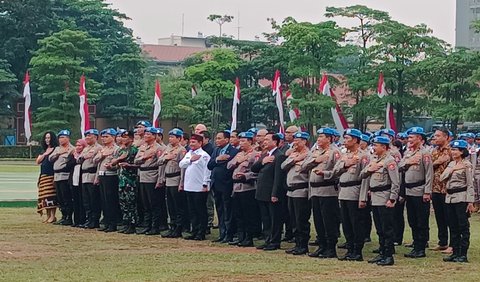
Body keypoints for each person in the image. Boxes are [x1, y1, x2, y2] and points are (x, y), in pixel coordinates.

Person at [301, 128, 341, 259]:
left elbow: (339, 171)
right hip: (315, 191)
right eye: (318, 136)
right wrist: (316, 160)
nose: (318, 139)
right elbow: (303, 167)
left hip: (328, 190)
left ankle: (331, 248)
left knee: (328, 220)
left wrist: (326, 173)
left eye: (322, 136)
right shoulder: (315, 151)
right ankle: (322, 245)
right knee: (318, 220)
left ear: (329, 139)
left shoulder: (334, 152)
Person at [360, 136, 400, 266]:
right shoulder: (374, 159)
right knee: (379, 228)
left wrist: (392, 198)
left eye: (376, 145)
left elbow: (395, 182)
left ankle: (388, 255)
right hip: (375, 197)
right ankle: (382, 252)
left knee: (387, 228)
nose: (373, 147)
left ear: (384, 147)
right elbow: (363, 174)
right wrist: (370, 168)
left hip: (385, 197)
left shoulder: (390, 161)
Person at [333, 128, 369, 261]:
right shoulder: (344, 155)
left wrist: (363, 197)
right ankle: (349, 249)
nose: (345, 141)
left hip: (355, 191)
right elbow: (335, 171)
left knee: (356, 223)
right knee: (346, 223)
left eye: (348, 138)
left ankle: (357, 251)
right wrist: (345, 165)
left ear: (355, 140)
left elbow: (365, 178)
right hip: (343, 192)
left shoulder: (363, 156)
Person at [399, 127, 433, 258]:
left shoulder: (425, 154)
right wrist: (408, 162)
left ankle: (421, 247)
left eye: (412, 137)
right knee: (412, 219)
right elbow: (399, 166)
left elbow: (429, 174)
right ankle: (416, 244)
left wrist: (427, 192)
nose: (409, 140)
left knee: (421, 220)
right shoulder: (408, 153)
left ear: (420, 138)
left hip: (420, 190)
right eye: (409, 137)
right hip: (409, 190)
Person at [440, 140, 476, 263]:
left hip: (461, 198)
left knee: (463, 226)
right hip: (449, 198)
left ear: (462, 152)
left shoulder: (467, 165)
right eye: (453, 149)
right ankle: (455, 252)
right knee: (453, 226)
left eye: (456, 150)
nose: (453, 152)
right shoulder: (451, 164)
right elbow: (441, 177)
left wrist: (470, 201)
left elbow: (470, 184)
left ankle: (463, 253)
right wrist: (453, 169)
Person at [227, 132, 260, 247]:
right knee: (238, 214)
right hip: (236, 188)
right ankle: (241, 237)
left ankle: (249, 238)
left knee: (248, 215)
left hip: (247, 187)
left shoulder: (255, 155)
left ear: (250, 141)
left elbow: (257, 171)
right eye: (240, 141)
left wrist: (246, 176)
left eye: (243, 141)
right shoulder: (239, 154)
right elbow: (229, 165)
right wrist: (237, 161)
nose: (241, 143)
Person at [252, 132, 283, 251]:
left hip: (271, 192)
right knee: (265, 218)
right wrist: (262, 161)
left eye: (267, 139)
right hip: (262, 191)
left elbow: (278, 176)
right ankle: (267, 239)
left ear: (275, 142)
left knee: (274, 218)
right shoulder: (265, 154)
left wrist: (275, 193)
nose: (264, 142)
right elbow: (254, 168)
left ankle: (275, 241)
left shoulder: (278, 155)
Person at [282, 131, 311, 255]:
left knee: (301, 219)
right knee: (293, 219)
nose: (295, 143)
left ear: (304, 141)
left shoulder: (309, 155)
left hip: (301, 189)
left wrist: (299, 159)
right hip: (291, 191)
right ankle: (297, 243)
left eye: (298, 141)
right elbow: (283, 166)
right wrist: (294, 160)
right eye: (294, 140)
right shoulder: (294, 154)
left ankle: (303, 244)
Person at [179, 134, 211, 241]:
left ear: (200, 143)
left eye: (194, 142)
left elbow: (207, 171)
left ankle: (201, 232)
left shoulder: (204, 155)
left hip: (199, 187)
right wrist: (190, 160)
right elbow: (181, 164)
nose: (191, 144)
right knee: (192, 210)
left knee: (200, 210)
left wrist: (205, 184)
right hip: (189, 186)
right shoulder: (189, 153)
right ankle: (194, 230)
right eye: (191, 142)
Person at [208, 130, 238, 243]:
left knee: (228, 210)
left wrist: (220, 162)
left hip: (226, 185)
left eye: (219, 138)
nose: (217, 140)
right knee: (219, 210)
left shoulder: (234, 151)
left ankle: (229, 234)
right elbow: (210, 165)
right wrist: (217, 159)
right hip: (216, 184)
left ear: (227, 139)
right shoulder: (216, 150)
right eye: (216, 138)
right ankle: (222, 233)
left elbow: (229, 167)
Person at [134, 127, 165, 235]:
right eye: (146, 134)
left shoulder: (158, 148)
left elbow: (161, 164)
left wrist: (160, 179)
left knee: (154, 203)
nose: (146, 136)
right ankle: (147, 225)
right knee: (145, 203)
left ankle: (155, 226)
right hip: (142, 175)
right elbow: (136, 160)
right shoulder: (142, 147)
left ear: (155, 136)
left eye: (149, 134)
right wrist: (143, 158)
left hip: (152, 176)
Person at [158, 128, 188, 238]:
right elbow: (159, 161)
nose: (170, 139)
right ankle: (172, 226)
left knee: (177, 205)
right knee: (170, 205)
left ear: (179, 138)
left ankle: (179, 227)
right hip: (168, 179)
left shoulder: (182, 150)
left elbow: (183, 168)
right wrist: (166, 158)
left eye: (173, 137)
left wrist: (182, 182)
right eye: (169, 137)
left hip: (176, 178)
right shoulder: (167, 148)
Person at [94, 128, 120, 232]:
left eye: (106, 137)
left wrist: (112, 166)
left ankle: (113, 223)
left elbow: (118, 164)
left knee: (111, 200)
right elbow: (96, 161)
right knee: (104, 201)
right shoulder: (102, 149)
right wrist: (102, 155)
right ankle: (106, 221)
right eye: (103, 137)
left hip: (111, 175)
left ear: (113, 137)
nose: (104, 139)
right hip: (102, 175)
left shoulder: (116, 149)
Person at [431, 128, 452, 252]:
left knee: (450, 218)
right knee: (440, 217)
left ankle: (453, 244)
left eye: (438, 136)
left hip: (447, 189)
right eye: (435, 136)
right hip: (435, 188)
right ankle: (442, 241)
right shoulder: (434, 151)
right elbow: (429, 166)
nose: (435, 138)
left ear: (446, 137)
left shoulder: (452, 151)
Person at [49, 129, 75, 226]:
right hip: (57, 176)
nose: (61, 139)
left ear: (68, 138)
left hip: (65, 175)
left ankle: (68, 217)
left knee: (66, 197)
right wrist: (58, 153)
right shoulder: (57, 149)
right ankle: (63, 216)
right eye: (59, 137)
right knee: (60, 198)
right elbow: (50, 159)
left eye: (63, 137)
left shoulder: (72, 149)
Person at [115, 130, 139, 234]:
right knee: (123, 202)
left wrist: (129, 165)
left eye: (125, 137)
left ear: (131, 139)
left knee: (131, 202)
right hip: (122, 179)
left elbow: (138, 164)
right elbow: (115, 162)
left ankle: (133, 224)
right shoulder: (122, 150)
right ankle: (126, 223)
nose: (123, 139)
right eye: (122, 137)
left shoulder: (134, 150)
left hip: (130, 179)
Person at [78, 129, 102, 229]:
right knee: (86, 200)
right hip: (84, 175)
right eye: (86, 136)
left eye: (90, 136)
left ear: (96, 137)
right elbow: (79, 159)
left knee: (94, 200)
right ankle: (89, 219)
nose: (87, 138)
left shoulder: (98, 148)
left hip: (92, 174)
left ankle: (94, 220)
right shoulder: (86, 148)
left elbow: (96, 161)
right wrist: (83, 157)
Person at [36, 131, 59, 223]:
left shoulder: (56, 149)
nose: (47, 140)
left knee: (51, 196)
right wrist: (45, 154)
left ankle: (53, 216)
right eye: (46, 138)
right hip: (43, 176)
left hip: (51, 175)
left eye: (49, 138)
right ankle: (48, 215)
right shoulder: (44, 151)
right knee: (44, 197)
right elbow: (38, 161)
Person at [71, 139, 87, 227]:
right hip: (74, 180)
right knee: (75, 200)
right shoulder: (73, 155)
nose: (77, 147)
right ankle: (76, 220)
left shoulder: (85, 155)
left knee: (82, 200)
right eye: (76, 145)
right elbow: (68, 165)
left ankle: (82, 220)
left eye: (80, 145)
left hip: (82, 180)